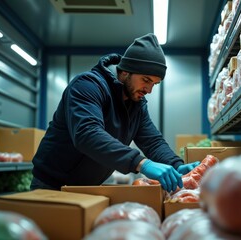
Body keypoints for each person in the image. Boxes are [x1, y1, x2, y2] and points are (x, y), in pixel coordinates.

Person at [30, 33, 200, 193]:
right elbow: (88, 134)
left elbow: (153, 142)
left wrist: (176, 164)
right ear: (125, 71)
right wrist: (142, 163)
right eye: (146, 80)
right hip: (52, 185)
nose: (149, 90)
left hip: (88, 188)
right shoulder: (88, 86)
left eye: (154, 84)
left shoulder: (137, 105)